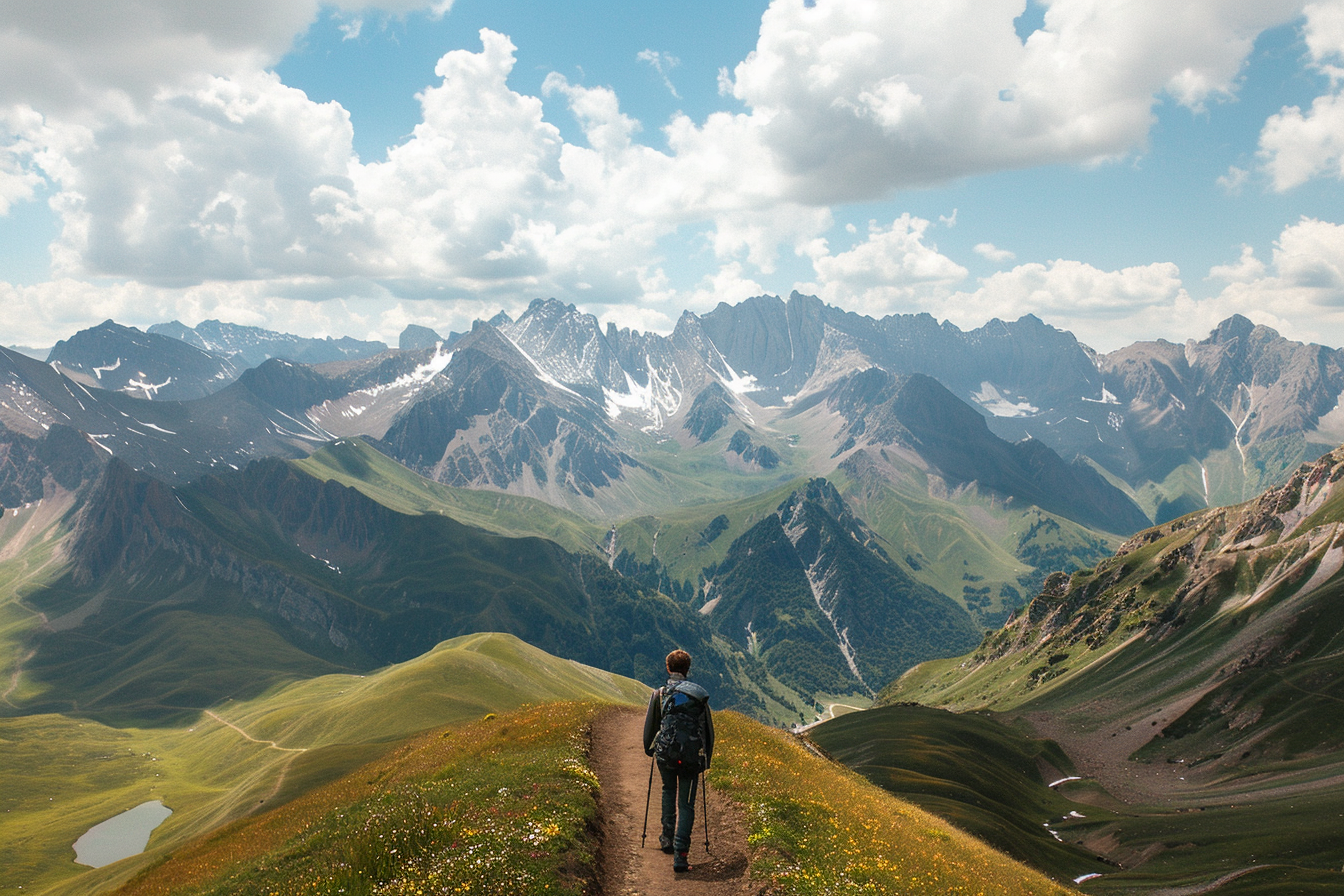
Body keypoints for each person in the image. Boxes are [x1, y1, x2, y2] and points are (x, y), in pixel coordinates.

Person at [643, 648, 715, 873]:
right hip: (691, 757)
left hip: (665, 754)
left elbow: (651, 725)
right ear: (687, 669)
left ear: (668, 668)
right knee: (686, 804)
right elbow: (708, 731)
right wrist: (706, 759)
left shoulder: (660, 694)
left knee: (668, 790)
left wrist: (649, 748)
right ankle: (681, 856)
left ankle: (666, 838)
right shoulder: (697, 696)